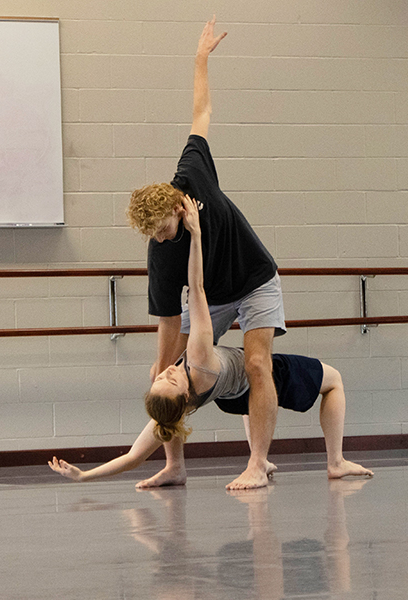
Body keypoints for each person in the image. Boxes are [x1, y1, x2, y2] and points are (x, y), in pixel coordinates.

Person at [49, 194, 373, 486]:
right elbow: (198, 289)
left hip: (229, 396)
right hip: (256, 379)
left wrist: (83, 475)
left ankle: (186, 467)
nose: (166, 372)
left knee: (244, 394)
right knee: (333, 382)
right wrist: (196, 234)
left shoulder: (175, 408)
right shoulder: (199, 358)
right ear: (185, 393)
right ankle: (336, 462)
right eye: (171, 380)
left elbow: (133, 456)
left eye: (162, 378)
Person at [126, 17, 282, 490]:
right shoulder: (162, 253)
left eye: (164, 230)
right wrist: (164, 370)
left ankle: (258, 462)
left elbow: (202, 113)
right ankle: (174, 465)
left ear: (177, 205)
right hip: (207, 296)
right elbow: (169, 322)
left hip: (253, 277)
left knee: (257, 364)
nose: (160, 240)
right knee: (161, 370)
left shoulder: (192, 171)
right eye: (152, 236)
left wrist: (200, 58)